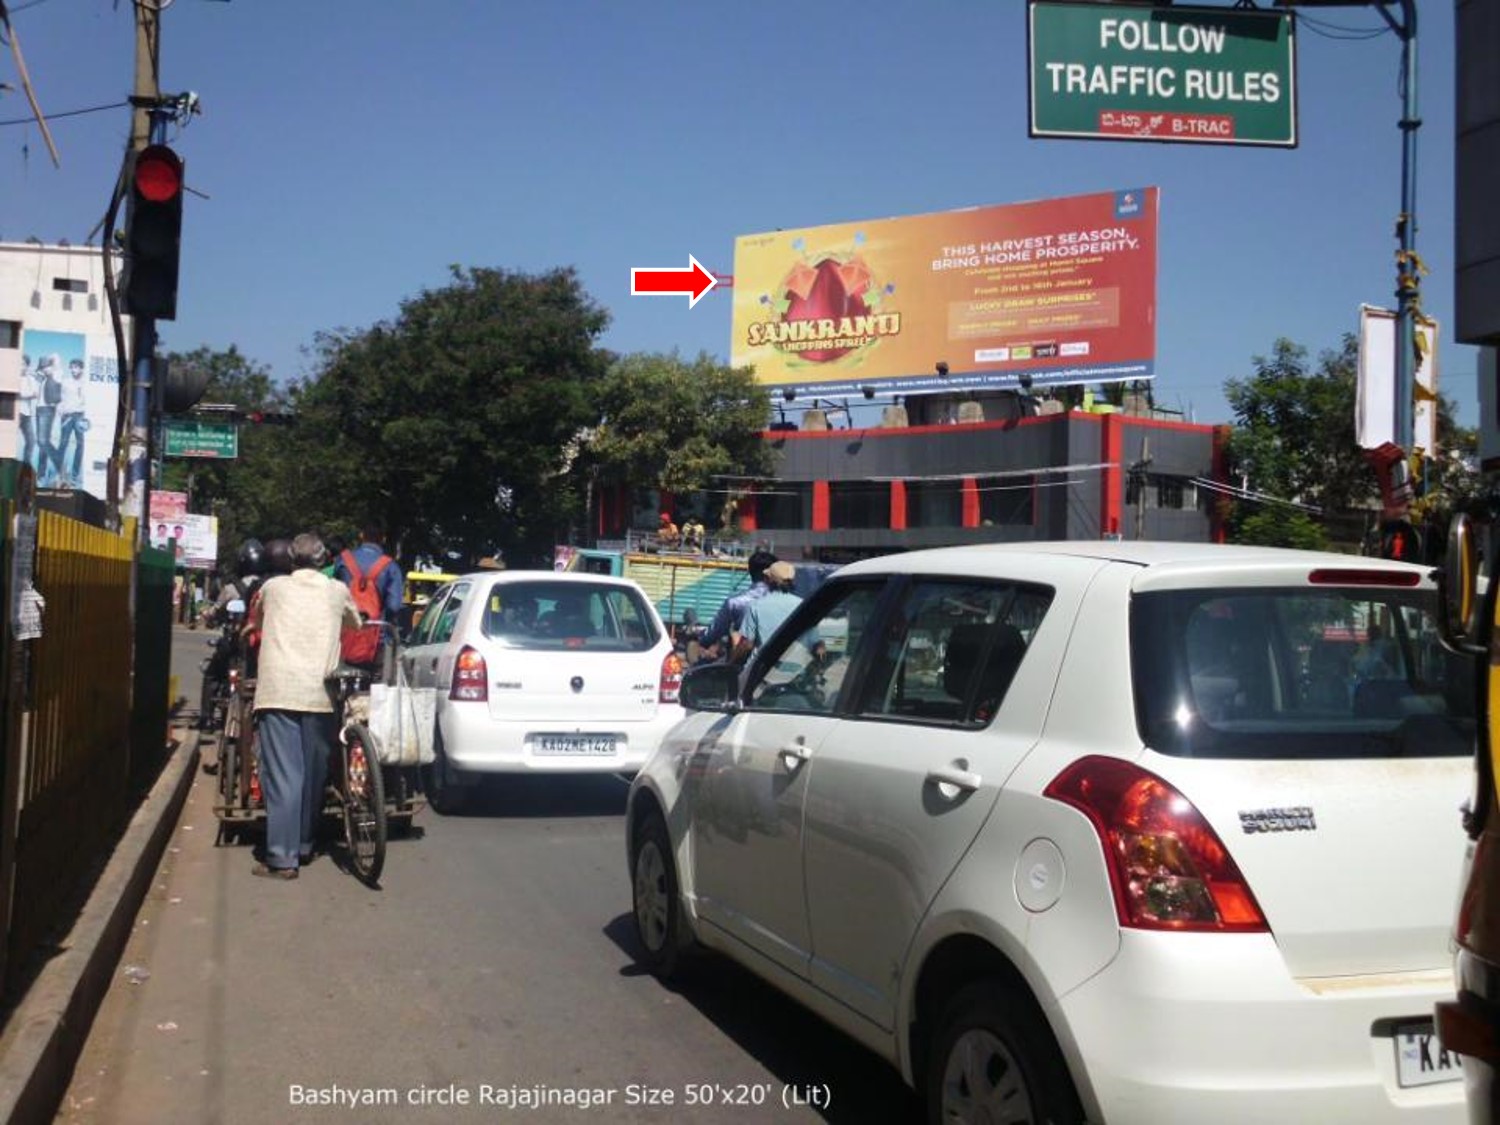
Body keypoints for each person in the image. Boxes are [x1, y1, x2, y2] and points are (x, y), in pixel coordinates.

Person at [245, 533, 360, 879]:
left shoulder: (274, 588)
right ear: (324, 560)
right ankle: (305, 844)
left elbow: (258, 620)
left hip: (279, 690)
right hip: (319, 693)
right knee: (313, 774)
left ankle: (282, 857)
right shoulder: (337, 590)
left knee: (284, 775)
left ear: (292, 560)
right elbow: (356, 622)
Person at [701, 549, 777, 661]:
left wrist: (702, 639)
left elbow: (715, 631)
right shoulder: (789, 602)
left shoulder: (735, 602)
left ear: (749, 571)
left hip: (741, 665)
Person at [333, 524, 404, 624]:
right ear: (383, 539)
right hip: (376, 631)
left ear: (361, 535)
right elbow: (394, 606)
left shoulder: (343, 560)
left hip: (346, 630)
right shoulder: (390, 566)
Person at [738, 560, 803, 660]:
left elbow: (747, 645)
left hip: (761, 668)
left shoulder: (756, 606)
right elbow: (815, 643)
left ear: (768, 580)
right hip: (795, 668)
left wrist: (730, 662)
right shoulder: (802, 605)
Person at [55, 358, 87, 488]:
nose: (74, 370)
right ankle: (60, 473)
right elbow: (58, 397)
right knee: (63, 444)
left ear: (81, 369)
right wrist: (60, 409)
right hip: (67, 416)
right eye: (72, 367)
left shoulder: (85, 383)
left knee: (80, 445)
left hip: (80, 415)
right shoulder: (65, 382)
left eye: (77, 367)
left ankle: (74, 475)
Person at [18, 354, 36, 472]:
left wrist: (25, 395)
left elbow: (35, 394)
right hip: (14, 413)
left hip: (26, 414)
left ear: (27, 366)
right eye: (19, 363)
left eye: (23, 364)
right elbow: (18, 393)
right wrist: (27, 395)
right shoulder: (13, 377)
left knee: (31, 441)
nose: (21, 366)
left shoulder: (31, 379)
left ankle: (25, 467)